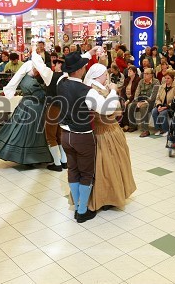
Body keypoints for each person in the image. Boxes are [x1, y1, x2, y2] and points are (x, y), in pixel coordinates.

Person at [56, 50, 119, 223]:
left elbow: (72, 67)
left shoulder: (61, 82)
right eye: (83, 66)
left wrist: (88, 54)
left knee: (72, 170)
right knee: (86, 173)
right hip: (82, 137)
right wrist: (113, 92)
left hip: (64, 135)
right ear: (79, 70)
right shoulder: (87, 91)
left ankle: (77, 206)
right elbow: (107, 109)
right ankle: (82, 211)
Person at [83, 64, 136, 211]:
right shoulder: (93, 90)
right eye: (105, 73)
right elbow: (108, 109)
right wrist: (113, 91)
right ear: (99, 75)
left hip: (110, 130)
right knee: (106, 167)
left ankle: (113, 195)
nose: (107, 76)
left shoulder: (99, 87)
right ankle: (106, 197)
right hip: (103, 132)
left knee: (114, 165)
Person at [0, 53, 53, 165]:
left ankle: (30, 158)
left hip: (26, 106)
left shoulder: (28, 78)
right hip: (33, 109)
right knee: (31, 134)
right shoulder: (30, 82)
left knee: (21, 132)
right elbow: (40, 95)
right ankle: (31, 158)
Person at [44, 58, 67, 172]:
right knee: (59, 134)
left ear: (59, 64)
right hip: (64, 107)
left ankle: (57, 163)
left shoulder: (51, 76)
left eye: (56, 63)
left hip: (53, 106)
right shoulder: (67, 77)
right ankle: (64, 161)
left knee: (50, 135)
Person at [152, 70, 175, 137]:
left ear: (172, 79)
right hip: (161, 105)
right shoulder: (162, 86)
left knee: (162, 113)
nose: (166, 80)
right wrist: (159, 105)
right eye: (165, 78)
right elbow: (158, 98)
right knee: (154, 111)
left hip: (170, 106)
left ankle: (166, 130)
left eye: (168, 78)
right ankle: (158, 129)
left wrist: (165, 107)